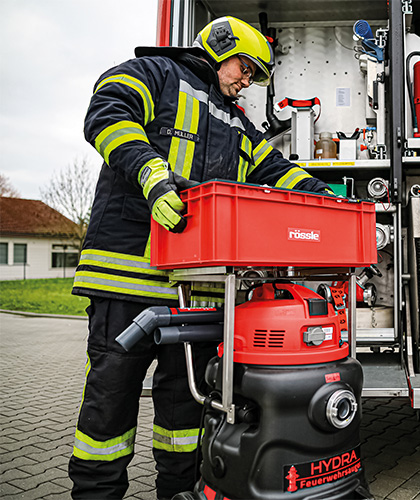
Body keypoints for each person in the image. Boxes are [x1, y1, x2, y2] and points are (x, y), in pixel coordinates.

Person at [68, 16, 332, 499]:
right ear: (220, 47)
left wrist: (327, 198)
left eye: (254, 76)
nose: (247, 81)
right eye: (245, 68)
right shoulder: (153, 73)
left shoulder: (238, 124)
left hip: (197, 295)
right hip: (126, 282)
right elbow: (107, 113)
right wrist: (151, 173)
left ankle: (177, 491)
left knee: (184, 412)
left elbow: (276, 171)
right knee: (109, 404)